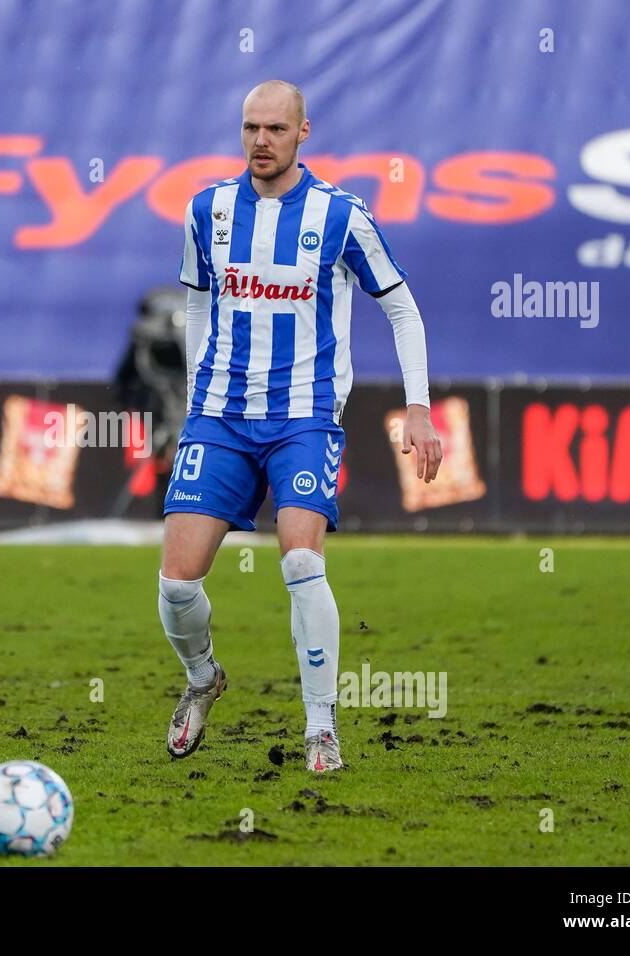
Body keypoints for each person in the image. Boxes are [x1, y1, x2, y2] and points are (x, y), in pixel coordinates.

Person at [159, 81, 442, 772]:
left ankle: (321, 727)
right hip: (221, 416)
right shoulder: (209, 209)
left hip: (303, 418)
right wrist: (200, 389)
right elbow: (199, 302)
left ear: (303, 132)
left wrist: (418, 407)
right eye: (251, 126)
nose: (261, 140)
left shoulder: (341, 216)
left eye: (275, 129)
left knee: (299, 560)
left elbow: (402, 309)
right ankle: (203, 678)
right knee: (176, 584)